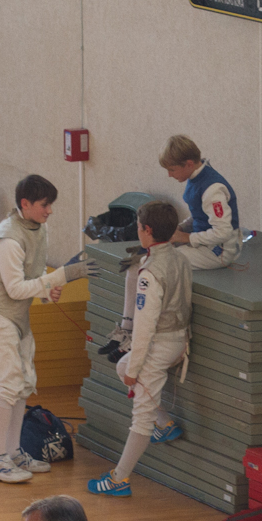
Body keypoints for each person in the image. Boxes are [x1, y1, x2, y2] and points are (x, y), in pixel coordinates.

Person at [0, 174, 96, 483]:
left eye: (51, 204)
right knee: (8, 388)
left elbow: (36, 271)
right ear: (25, 204)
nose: (49, 211)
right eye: (44, 205)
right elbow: (15, 288)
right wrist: (61, 277)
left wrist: (46, 289)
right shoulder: (8, 239)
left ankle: (14, 453)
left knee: (23, 385)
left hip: (18, 319)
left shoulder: (39, 228)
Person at [98, 135, 237, 362]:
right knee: (136, 264)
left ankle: (142, 337)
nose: (170, 175)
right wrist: (177, 230)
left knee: (154, 266)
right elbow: (199, 217)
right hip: (201, 243)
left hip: (218, 252)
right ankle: (127, 328)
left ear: (188, 164)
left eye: (172, 170)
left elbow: (224, 232)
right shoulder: (195, 178)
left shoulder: (213, 188)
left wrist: (185, 237)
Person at [89, 201, 191, 497]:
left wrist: (135, 369)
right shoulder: (181, 258)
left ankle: (119, 479)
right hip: (179, 339)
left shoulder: (150, 274)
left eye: (137, 227)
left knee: (141, 414)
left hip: (160, 345)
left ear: (146, 230)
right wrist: (129, 367)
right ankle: (165, 423)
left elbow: (145, 329)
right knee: (122, 366)